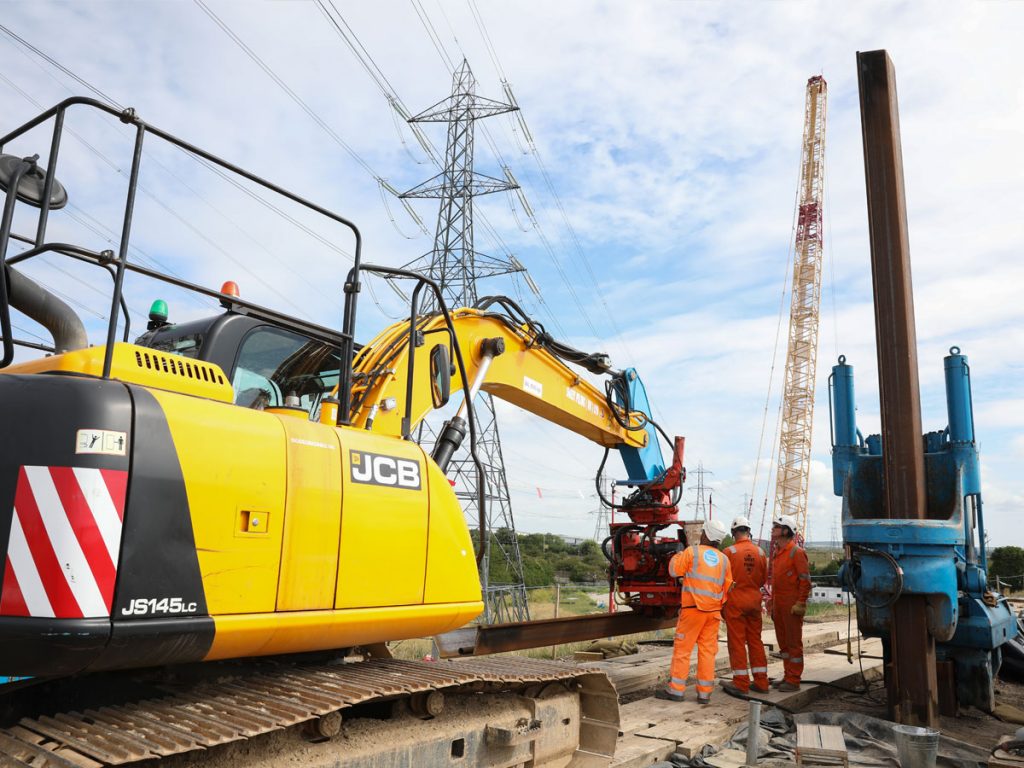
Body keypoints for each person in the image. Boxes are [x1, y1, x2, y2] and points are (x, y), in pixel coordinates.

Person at [657, 518, 733, 705]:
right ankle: (704, 693)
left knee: (683, 650)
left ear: (705, 534)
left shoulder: (692, 553)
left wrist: (677, 555)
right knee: (707, 652)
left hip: (693, 611)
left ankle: (676, 690)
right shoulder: (724, 560)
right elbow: (728, 587)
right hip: (713, 613)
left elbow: (674, 571)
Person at [721, 516, 769, 695]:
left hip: (736, 601)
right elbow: (763, 579)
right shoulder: (761, 553)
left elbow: (722, 581)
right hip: (754, 601)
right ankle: (762, 682)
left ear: (734, 532)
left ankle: (741, 683)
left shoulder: (729, 552)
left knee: (737, 642)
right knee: (756, 640)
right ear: (749, 532)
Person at [769, 514, 811, 692]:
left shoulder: (797, 553)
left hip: (792, 606)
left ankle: (794, 680)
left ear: (786, 530)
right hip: (780, 605)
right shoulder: (777, 553)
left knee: (793, 644)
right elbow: (776, 581)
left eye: (776, 526)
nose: (773, 529)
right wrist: (772, 602)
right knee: (784, 644)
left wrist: (801, 603)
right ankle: (788, 675)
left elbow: (805, 581)